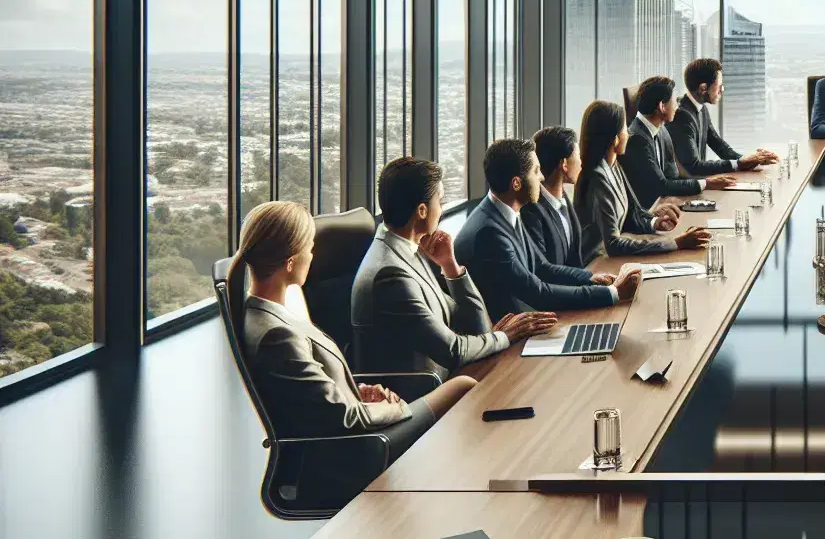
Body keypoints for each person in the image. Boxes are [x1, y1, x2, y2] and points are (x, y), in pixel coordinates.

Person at [231, 200, 475, 458]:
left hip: (361, 427)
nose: (312, 257)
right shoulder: (276, 335)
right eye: (309, 249)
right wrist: (395, 408)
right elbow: (345, 418)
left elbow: (310, 398)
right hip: (361, 448)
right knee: (463, 386)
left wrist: (355, 392)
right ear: (290, 262)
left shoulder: (267, 315)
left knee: (461, 386)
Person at [351, 156, 555, 380]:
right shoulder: (389, 274)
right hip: (427, 396)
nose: (442, 208)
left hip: (454, 378)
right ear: (422, 211)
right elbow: (453, 351)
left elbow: (475, 327)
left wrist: (451, 267)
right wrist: (504, 336)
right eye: (440, 201)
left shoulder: (407, 251)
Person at [454, 138, 641, 316]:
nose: (542, 177)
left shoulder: (505, 211)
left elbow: (542, 267)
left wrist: (590, 278)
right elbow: (538, 293)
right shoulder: (489, 233)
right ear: (516, 183)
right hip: (513, 337)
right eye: (536, 171)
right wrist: (612, 293)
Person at [574, 99, 712, 259]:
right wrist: (675, 243)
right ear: (615, 139)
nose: (629, 133)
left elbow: (633, 213)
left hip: (610, 259)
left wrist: (655, 223)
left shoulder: (614, 165)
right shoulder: (597, 179)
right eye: (625, 129)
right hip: (596, 264)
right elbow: (613, 245)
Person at [622, 74, 738, 204]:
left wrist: (706, 182)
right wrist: (705, 183)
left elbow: (674, 175)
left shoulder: (660, 129)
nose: (677, 106)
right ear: (662, 106)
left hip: (669, 203)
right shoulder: (637, 140)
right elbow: (660, 186)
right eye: (673, 101)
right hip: (653, 213)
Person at [668, 57, 779, 176]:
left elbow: (719, 145)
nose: (722, 90)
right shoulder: (681, 116)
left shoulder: (700, 108)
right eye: (719, 85)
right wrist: (740, 163)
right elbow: (693, 166)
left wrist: (754, 160)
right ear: (703, 88)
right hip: (686, 190)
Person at [520, 126, 586, 270]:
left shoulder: (563, 199)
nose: (581, 162)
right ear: (564, 164)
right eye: (578, 156)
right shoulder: (531, 211)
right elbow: (542, 271)